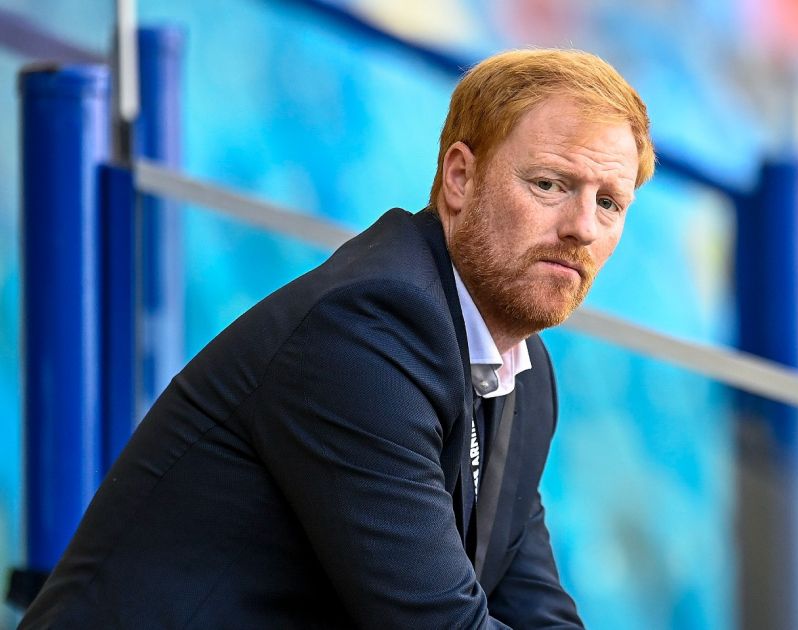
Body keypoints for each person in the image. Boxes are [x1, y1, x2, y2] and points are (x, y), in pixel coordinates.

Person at [20, 48, 655, 629]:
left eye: (609, 203)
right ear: (460, 177)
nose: (582, 227)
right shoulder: (366, 331)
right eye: (549, 184)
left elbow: (535, 608)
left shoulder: (524, 372)